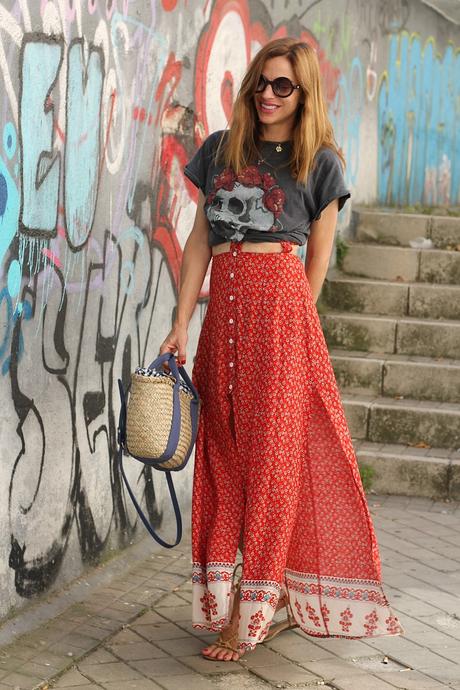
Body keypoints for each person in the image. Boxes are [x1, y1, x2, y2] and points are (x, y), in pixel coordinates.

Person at [159, 37, 404, 662]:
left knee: (272, 463)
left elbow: (317, 261)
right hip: (225, 321)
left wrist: (296, 326)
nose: (268, 94)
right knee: (221, 454)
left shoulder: (319, 161)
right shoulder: (220, 151)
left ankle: (253, 612)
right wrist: (181, 322)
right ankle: (243, 592)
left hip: (278, 318)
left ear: (303, 94)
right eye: (261, 83)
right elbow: (197, 241)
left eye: (282, 86)